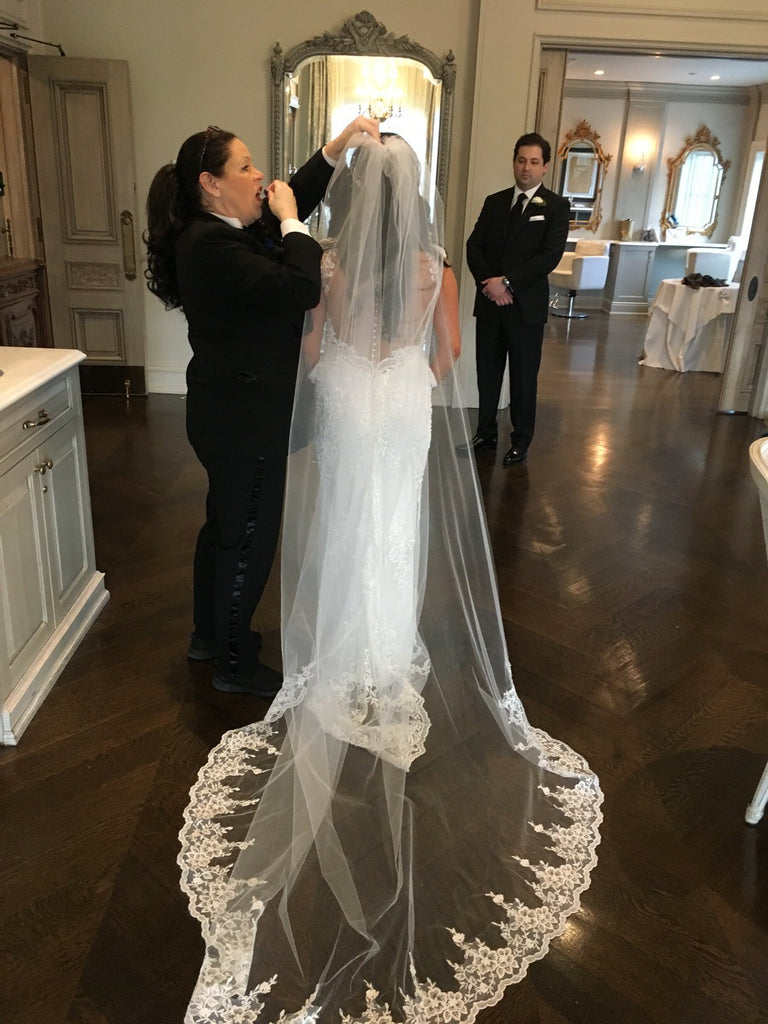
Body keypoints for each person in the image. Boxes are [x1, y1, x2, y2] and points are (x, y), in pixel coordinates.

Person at [178, 133, 602, 1024]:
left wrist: (347, 376)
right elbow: (449, 353)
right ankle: (381, 648)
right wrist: (400, 375)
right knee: (393, 529)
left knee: (340, 523)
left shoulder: (323, 262)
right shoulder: (435, 267)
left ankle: (339, 648)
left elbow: (309, 351)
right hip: (403, 402)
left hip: (343, 398)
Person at [144, 116, 379, 698]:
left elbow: (285, 198)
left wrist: (334, 147)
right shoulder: (213, 244)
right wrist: (295, 222)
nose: (259, 177)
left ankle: (208, 636)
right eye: (245, 167)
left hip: (229, 413)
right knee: (247, 537)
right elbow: (302, 288)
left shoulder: (220, 231)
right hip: (244, 421)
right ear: (210, 182)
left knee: (225, 528)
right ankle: (233, 661)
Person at [465, 131, 570, 465]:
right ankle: (486, 432)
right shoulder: (494, 202)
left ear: (545, 167)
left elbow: (549, 257)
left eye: (534, 162)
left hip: (526, 309)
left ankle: (521, 440)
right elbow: (473, 247)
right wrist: (491, 285)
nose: (527, 167)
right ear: (514, 162)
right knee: (488, 373)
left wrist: (508, 282)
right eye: (521, 160)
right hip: (490, 305)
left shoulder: (555, 206)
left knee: (524, 378)